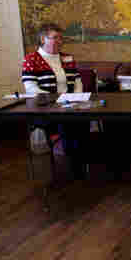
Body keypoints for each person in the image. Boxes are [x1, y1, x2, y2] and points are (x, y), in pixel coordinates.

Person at [21, 23, 88, 179]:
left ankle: (79, 160)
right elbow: (31, 87)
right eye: (55, 38)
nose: (59, 41)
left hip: (70, 104)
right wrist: (56, 101)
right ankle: (72, 162)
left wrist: (76, 97)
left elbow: (77, 81)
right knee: (68, 123)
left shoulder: (67, 58)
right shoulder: (31, 59)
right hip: (46, 108)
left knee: (82, 120)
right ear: (43, 39)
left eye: (61, 38)